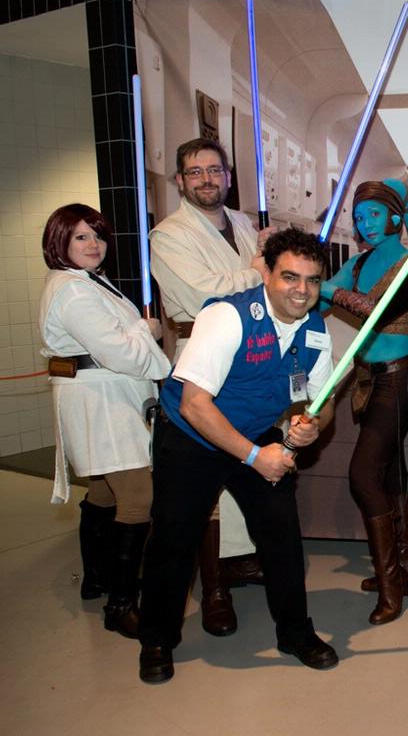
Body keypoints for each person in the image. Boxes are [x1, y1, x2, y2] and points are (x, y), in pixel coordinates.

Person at [137, 227, 338, 683]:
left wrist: (308, 429)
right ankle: (157, 639)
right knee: (175, 539)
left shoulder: (316, 331)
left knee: (282, 535)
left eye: (311, 280)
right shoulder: (228, 317)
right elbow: (194, 404)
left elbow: (315, 405)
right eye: (289, 276)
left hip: (254, 432)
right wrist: (254, 457)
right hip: (190, 435)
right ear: (265, 272)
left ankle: (294, 632)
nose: (301, 290)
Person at [150, 137, 274, 637]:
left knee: (245, 463)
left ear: (227, 176)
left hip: (248, 362)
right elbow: (203, 294)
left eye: (215, 170)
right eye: (195, 172)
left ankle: (240, 563)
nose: (206, 179)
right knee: (205, 482)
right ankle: (214, 588)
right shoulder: (168, 235)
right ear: (180, 181)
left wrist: (262, 262)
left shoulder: (244, 224)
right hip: (199, 359)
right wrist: (257, 270)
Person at [39, 203, 172, 638]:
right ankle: (121, 602)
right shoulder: (74, 291)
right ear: (59, 241)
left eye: (97, 235)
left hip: (102, 396)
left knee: (102, 491)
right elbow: (124, 353)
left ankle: (96, 580)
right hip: (102, 400)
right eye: (81, 236)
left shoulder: (85, 282)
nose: (93, 244)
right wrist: (147, 333)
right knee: (138, 497)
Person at [320, 179, 408, 625]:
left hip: (399, 381)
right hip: (370, 379)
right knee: (391, 474)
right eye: (358, 215)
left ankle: (391, 588)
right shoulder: (361, 261)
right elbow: (326, 290)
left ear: (395, 218)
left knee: (364, 474)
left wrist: (322, 287)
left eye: (373, 214)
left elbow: (374, 310)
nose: (364, 222)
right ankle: (406, 566)